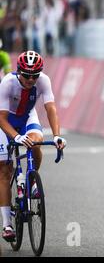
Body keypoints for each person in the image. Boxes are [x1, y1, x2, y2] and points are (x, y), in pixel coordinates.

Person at [0, 50, 67, 241]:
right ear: (19, 70)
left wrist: (56, 136)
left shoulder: (43, 80)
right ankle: (7, 225)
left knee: (36, 142)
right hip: (6, 121)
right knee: (4, 171)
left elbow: (51, 108)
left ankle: (31, 181)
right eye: (27, 75)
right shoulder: (7, 82)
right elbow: (2, 119)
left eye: (34, 75)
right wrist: (16, 136)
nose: (30, 79)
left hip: (28, 116)